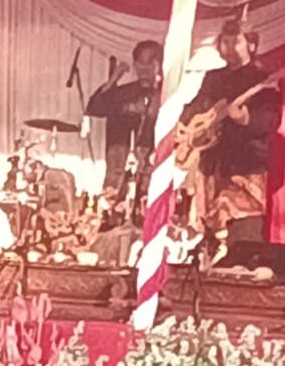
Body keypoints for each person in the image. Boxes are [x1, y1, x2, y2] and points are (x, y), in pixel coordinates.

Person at [182, 19, 280, 245]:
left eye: (236, 41)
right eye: (224, 42)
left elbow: (270, 119)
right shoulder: (213, 78)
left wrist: (245, 118)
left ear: (251, 45)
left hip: (247, 166)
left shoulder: (262, 78)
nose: (229, 47)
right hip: (213, 165)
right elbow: (196, 108)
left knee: (243, 233)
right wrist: (189, 123)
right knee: (210, 233)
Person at [85, 40, 163, 192]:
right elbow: (94, 108)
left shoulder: (166, 96)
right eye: (140, 63)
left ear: (158, 65)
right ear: (135, 65)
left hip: (150, 179)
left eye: (150, 63)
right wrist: (114, 78)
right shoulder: (125, 93)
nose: (144, 69)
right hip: (117, 179)